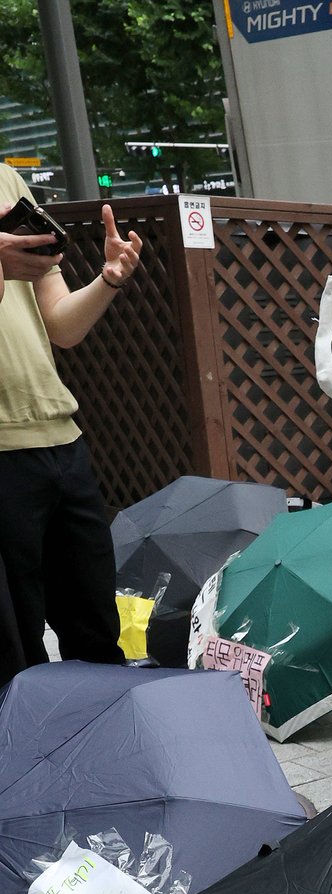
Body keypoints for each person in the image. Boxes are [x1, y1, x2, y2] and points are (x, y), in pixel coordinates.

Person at [0, 169, 143, 679]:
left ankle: (104, 754)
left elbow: (62, 323)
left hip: (60, 437)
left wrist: (108, 280)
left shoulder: (6, 179)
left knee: (95, 633)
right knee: (16, 652)